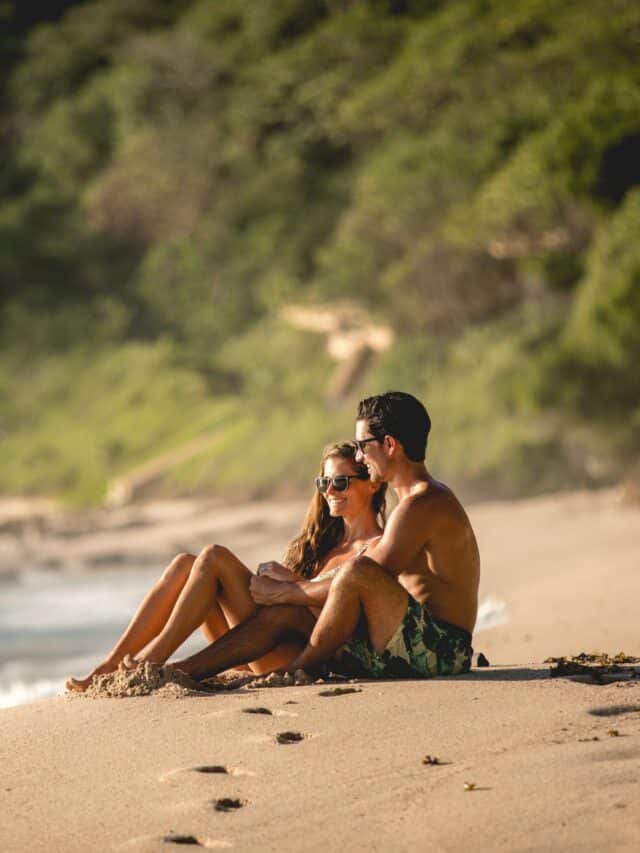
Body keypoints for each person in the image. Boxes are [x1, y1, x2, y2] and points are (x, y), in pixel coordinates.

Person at [171, 391, 480, 682]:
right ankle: (184, 670)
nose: (359, 457)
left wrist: (291, 589)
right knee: (286, 614)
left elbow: (364, 576)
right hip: (405, 641)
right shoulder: (413, 502)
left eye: (362, 445)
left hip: (441, 651)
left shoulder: (423, 503)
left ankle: (299, 669)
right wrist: (291, 594)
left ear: (389, 445)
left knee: (356, 570)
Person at [66, 441, 386, 692]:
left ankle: (151, 662)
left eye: (341, 482)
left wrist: (290, 584)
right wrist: (274, 583)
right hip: (258, 644)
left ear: (372, 485)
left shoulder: (379, 548)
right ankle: (109, 666)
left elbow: (343, 621)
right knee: (185, 564)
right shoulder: (323, 545)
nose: (329, 491)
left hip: (306, 659)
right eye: (324, 482)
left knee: (214, 557)